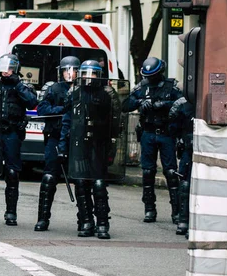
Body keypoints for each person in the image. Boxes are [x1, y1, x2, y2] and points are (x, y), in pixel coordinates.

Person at [58, 60, 120, 239]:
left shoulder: (107, 94)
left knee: (99, 184)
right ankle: (86, 220)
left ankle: (102, 222)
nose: (89, 78)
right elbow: (67, 120)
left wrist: (112, 146)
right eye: (85, 73)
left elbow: (116, 123)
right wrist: (63, 146)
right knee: (80, 182)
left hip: (99, 144)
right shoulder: (75, 92)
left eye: (93, 74)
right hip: (79, 143)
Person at [122, 57, 183, 223]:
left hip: (166, 133)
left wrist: (165, 104)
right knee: (148, 172)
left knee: (171, 172)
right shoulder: (142, 86)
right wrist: (141, 102)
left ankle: (176, 212)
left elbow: (183, 103)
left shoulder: (172, 86)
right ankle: (149, 209)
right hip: (148, 133)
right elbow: (125, 104)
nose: (150, 79)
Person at [0, 54, 37, 226]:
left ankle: (11, 212)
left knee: (13, 173)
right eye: (4, 68)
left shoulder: (22, 86)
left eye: (9, 68)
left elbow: (32, 102)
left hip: (12, 133)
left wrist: (18, 84)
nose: (6, 72)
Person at [34, 56, 79, 231]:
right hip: (55, 137)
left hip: (76, 140)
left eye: (73, 70)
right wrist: (61, 110)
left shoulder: (83, 88)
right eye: (66, 70)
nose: (70, 73)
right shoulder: (54, 89)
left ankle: (85, 220)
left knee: (81, 180)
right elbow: (42, 109)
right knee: (49, 177)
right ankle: (43, 219)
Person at [168, 96, 194, 237]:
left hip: (207, 146)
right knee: (185, 184)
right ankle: (183, 220)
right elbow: (173, 126)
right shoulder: (184, 104)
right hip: (188, 148)